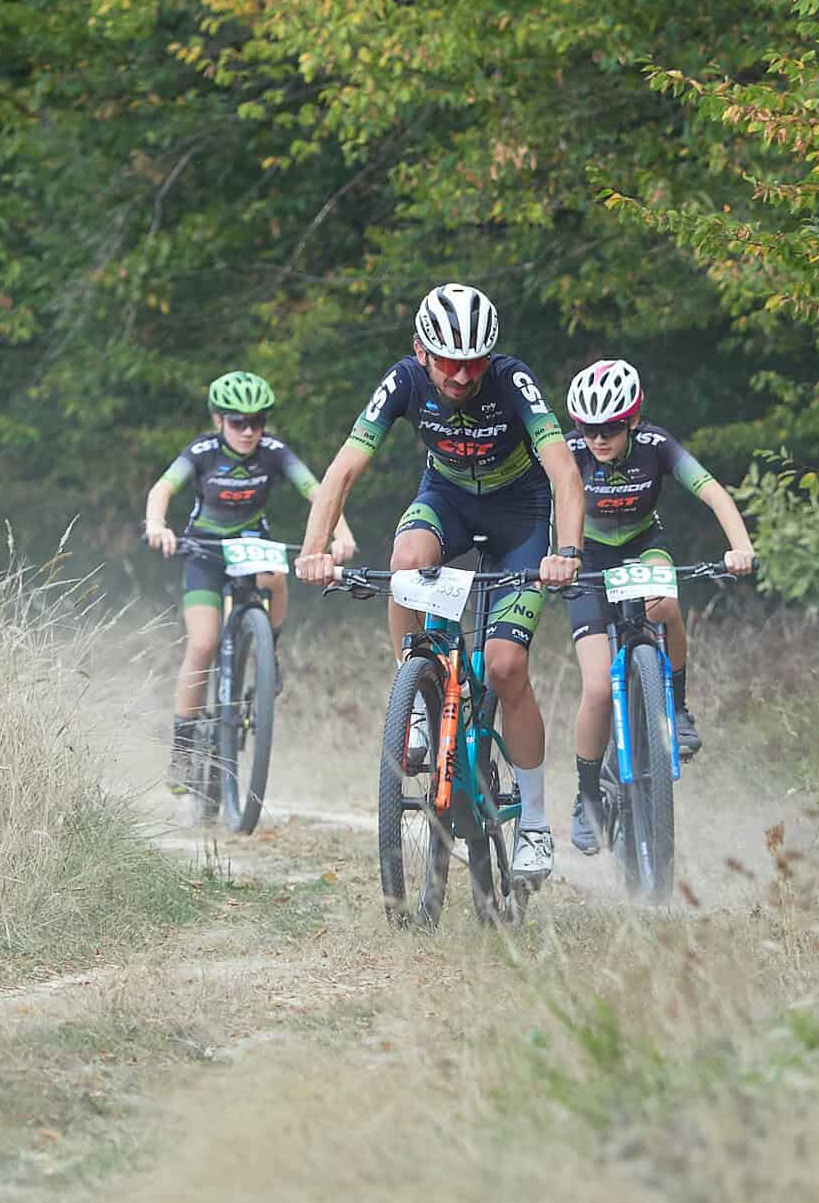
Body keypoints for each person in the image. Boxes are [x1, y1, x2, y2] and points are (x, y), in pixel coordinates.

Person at [295, 283, 583, 882]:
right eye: (448, 362)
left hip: (520, 517)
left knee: (505, 668)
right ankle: (418, 686)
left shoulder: (511, 380)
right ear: (422, 352)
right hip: (447, 500)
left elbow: (563, 470)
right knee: (406, 563)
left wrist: (567, 551)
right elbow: (344, 468)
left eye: (473, 362)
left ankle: (533, 822)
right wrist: (313, 550)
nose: (460, 375)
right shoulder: (403, 381)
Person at [561, 358, 756, 854]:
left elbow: (713, 492)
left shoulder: (655, 446)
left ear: (632, 421)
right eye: (588, 428)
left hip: (643, 544)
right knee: (598, 688)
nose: (597, 439)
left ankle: (678, 707)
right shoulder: (567, 452)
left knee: (664, 603)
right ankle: (587, 798)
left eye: (609, 428)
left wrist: (740, 547)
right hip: (585, 559)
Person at [145, 370, 356, 794]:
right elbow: (163, 488)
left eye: (257, 421)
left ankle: (267, 651)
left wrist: (340, 532)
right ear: (219, 421)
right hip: (204, 551)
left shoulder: (274, 452)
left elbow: (319, 492)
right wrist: (156, 524)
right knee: (202, 643)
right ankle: (183, 751)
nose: (248, 431)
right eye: (238, 422)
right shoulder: (202, 451)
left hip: (250, 544)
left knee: (277, 576)